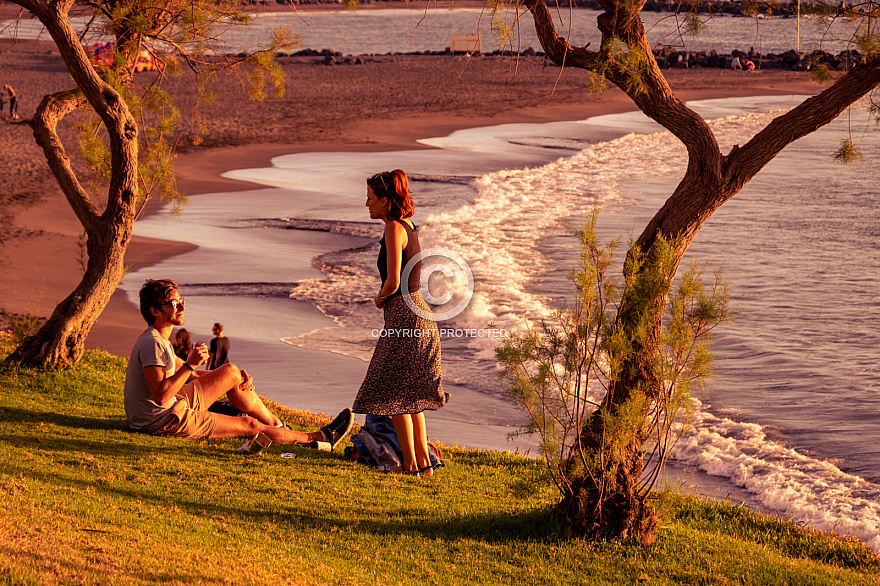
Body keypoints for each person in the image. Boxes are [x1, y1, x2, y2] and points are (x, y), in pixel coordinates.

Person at [123, 278, 354, 452]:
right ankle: (319, 440)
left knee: (231, 371)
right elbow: (161, 396)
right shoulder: (152, 343)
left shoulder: (158, 339)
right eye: (174, 303)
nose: (181, 307)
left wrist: (231, 380)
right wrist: (189, 366)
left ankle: (277, 425)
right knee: (249, 426)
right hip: (164, 420)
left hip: (172, 406)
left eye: (181, 301)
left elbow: (189, 376)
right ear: (155, 311)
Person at [351, 170, 449, 477]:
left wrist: (380, 298)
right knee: (411, 400)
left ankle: (409, 466)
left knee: (392, 397)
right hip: (419, 317)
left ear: (384, 200)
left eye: (369, 198)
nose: (366, 204)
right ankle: (424, 464)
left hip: (405, 319)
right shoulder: (409, 226)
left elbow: (394, 280)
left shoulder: (394, 228)